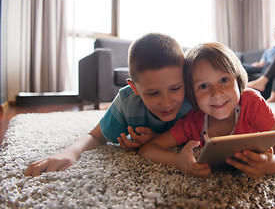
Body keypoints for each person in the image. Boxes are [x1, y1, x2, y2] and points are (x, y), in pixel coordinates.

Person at [25, 33, 193, 177]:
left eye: (175, 88)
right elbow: (96, 136)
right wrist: (70, 152)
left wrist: (157, 138)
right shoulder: (127, 102)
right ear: (134, 87)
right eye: (153, 93)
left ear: (185, 79)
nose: (167, 102)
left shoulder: (193, 98)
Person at [138, 42, 275, 179]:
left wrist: (271, 165)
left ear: (237, 79)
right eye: (203, 86)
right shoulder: (193, 121)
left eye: (224, 80)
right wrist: (178, 161)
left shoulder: (251, 102)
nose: (216, 93)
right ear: (191, 93)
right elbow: (147, 149)